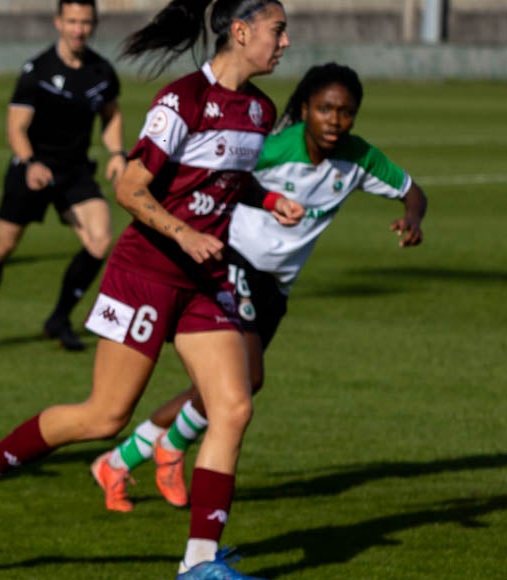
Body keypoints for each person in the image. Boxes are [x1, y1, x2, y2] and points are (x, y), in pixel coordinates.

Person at [0, 0, 304, 580]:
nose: (286, 42)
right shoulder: (182, 101)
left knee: (234, 406)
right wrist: (184, 233)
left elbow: (229, 181)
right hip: (147, 272)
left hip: (204, 279)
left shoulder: (260, 110)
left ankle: (199, 561)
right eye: (278, 30)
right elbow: (131, 190)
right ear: (240, 33)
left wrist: (270, 202)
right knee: (105, 416)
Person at [93, 62, 429, 510]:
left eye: (346, 111)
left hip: (277, 286)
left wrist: (413, 217)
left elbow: (411, 190)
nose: (334, 120)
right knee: (245, 379)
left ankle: (120, 460)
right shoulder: (274, 148)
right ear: (305, 109)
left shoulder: (359, 158)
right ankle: (169, 451)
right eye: (325, 108)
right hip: (233, 262)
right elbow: (220, 170)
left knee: (232, 388)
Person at [0, 0, 125, 352]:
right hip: (32, 166)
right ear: (58, 22)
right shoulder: (38, 69)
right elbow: (16, 127)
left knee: (100, 239)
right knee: (1, 247)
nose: (79, 29)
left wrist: (117, 153)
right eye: (73, 21)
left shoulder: (102, 71)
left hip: (75, 170)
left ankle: (59, 318)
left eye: (85, 22)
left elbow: (111, 116)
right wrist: (31, 161)